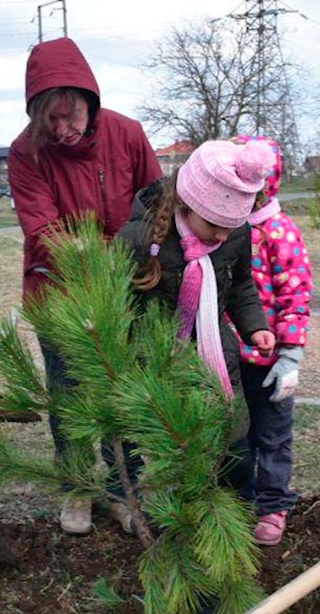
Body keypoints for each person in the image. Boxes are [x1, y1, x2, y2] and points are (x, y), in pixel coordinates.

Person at [8, 36, 164, 534]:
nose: (62, 128)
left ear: (89, 100)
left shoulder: (128, 134)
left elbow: (157, 205)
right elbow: (44, 228)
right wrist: (97, 259)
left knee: (125, 391)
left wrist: (134, 259)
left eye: (70, 115)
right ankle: (76, 487)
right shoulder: (23, 152)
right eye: (49, 119)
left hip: (130, 289)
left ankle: (125, 488)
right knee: (68, 393)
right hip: (60, 293)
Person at [116, 139, 278, 501]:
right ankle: (170, 532)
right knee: (166, 467)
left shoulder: (235, 235)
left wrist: (257, 327)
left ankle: (231, 529)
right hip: (155, 371)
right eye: (214, 225)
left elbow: (241, 288)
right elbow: (114, 309)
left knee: (233, 456)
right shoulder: (140, 240)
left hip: (217, 363)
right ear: (187, 204)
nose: (222, 236)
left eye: (230, 227)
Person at [232, 135, 313, 547]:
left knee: (273, 438)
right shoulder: (227, 231)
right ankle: (239, 499)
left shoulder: (279, 231)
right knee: (237, 435)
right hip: (231, 361)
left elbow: (295, 296)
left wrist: (291, 355)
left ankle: (273, 504)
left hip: (272, 362)